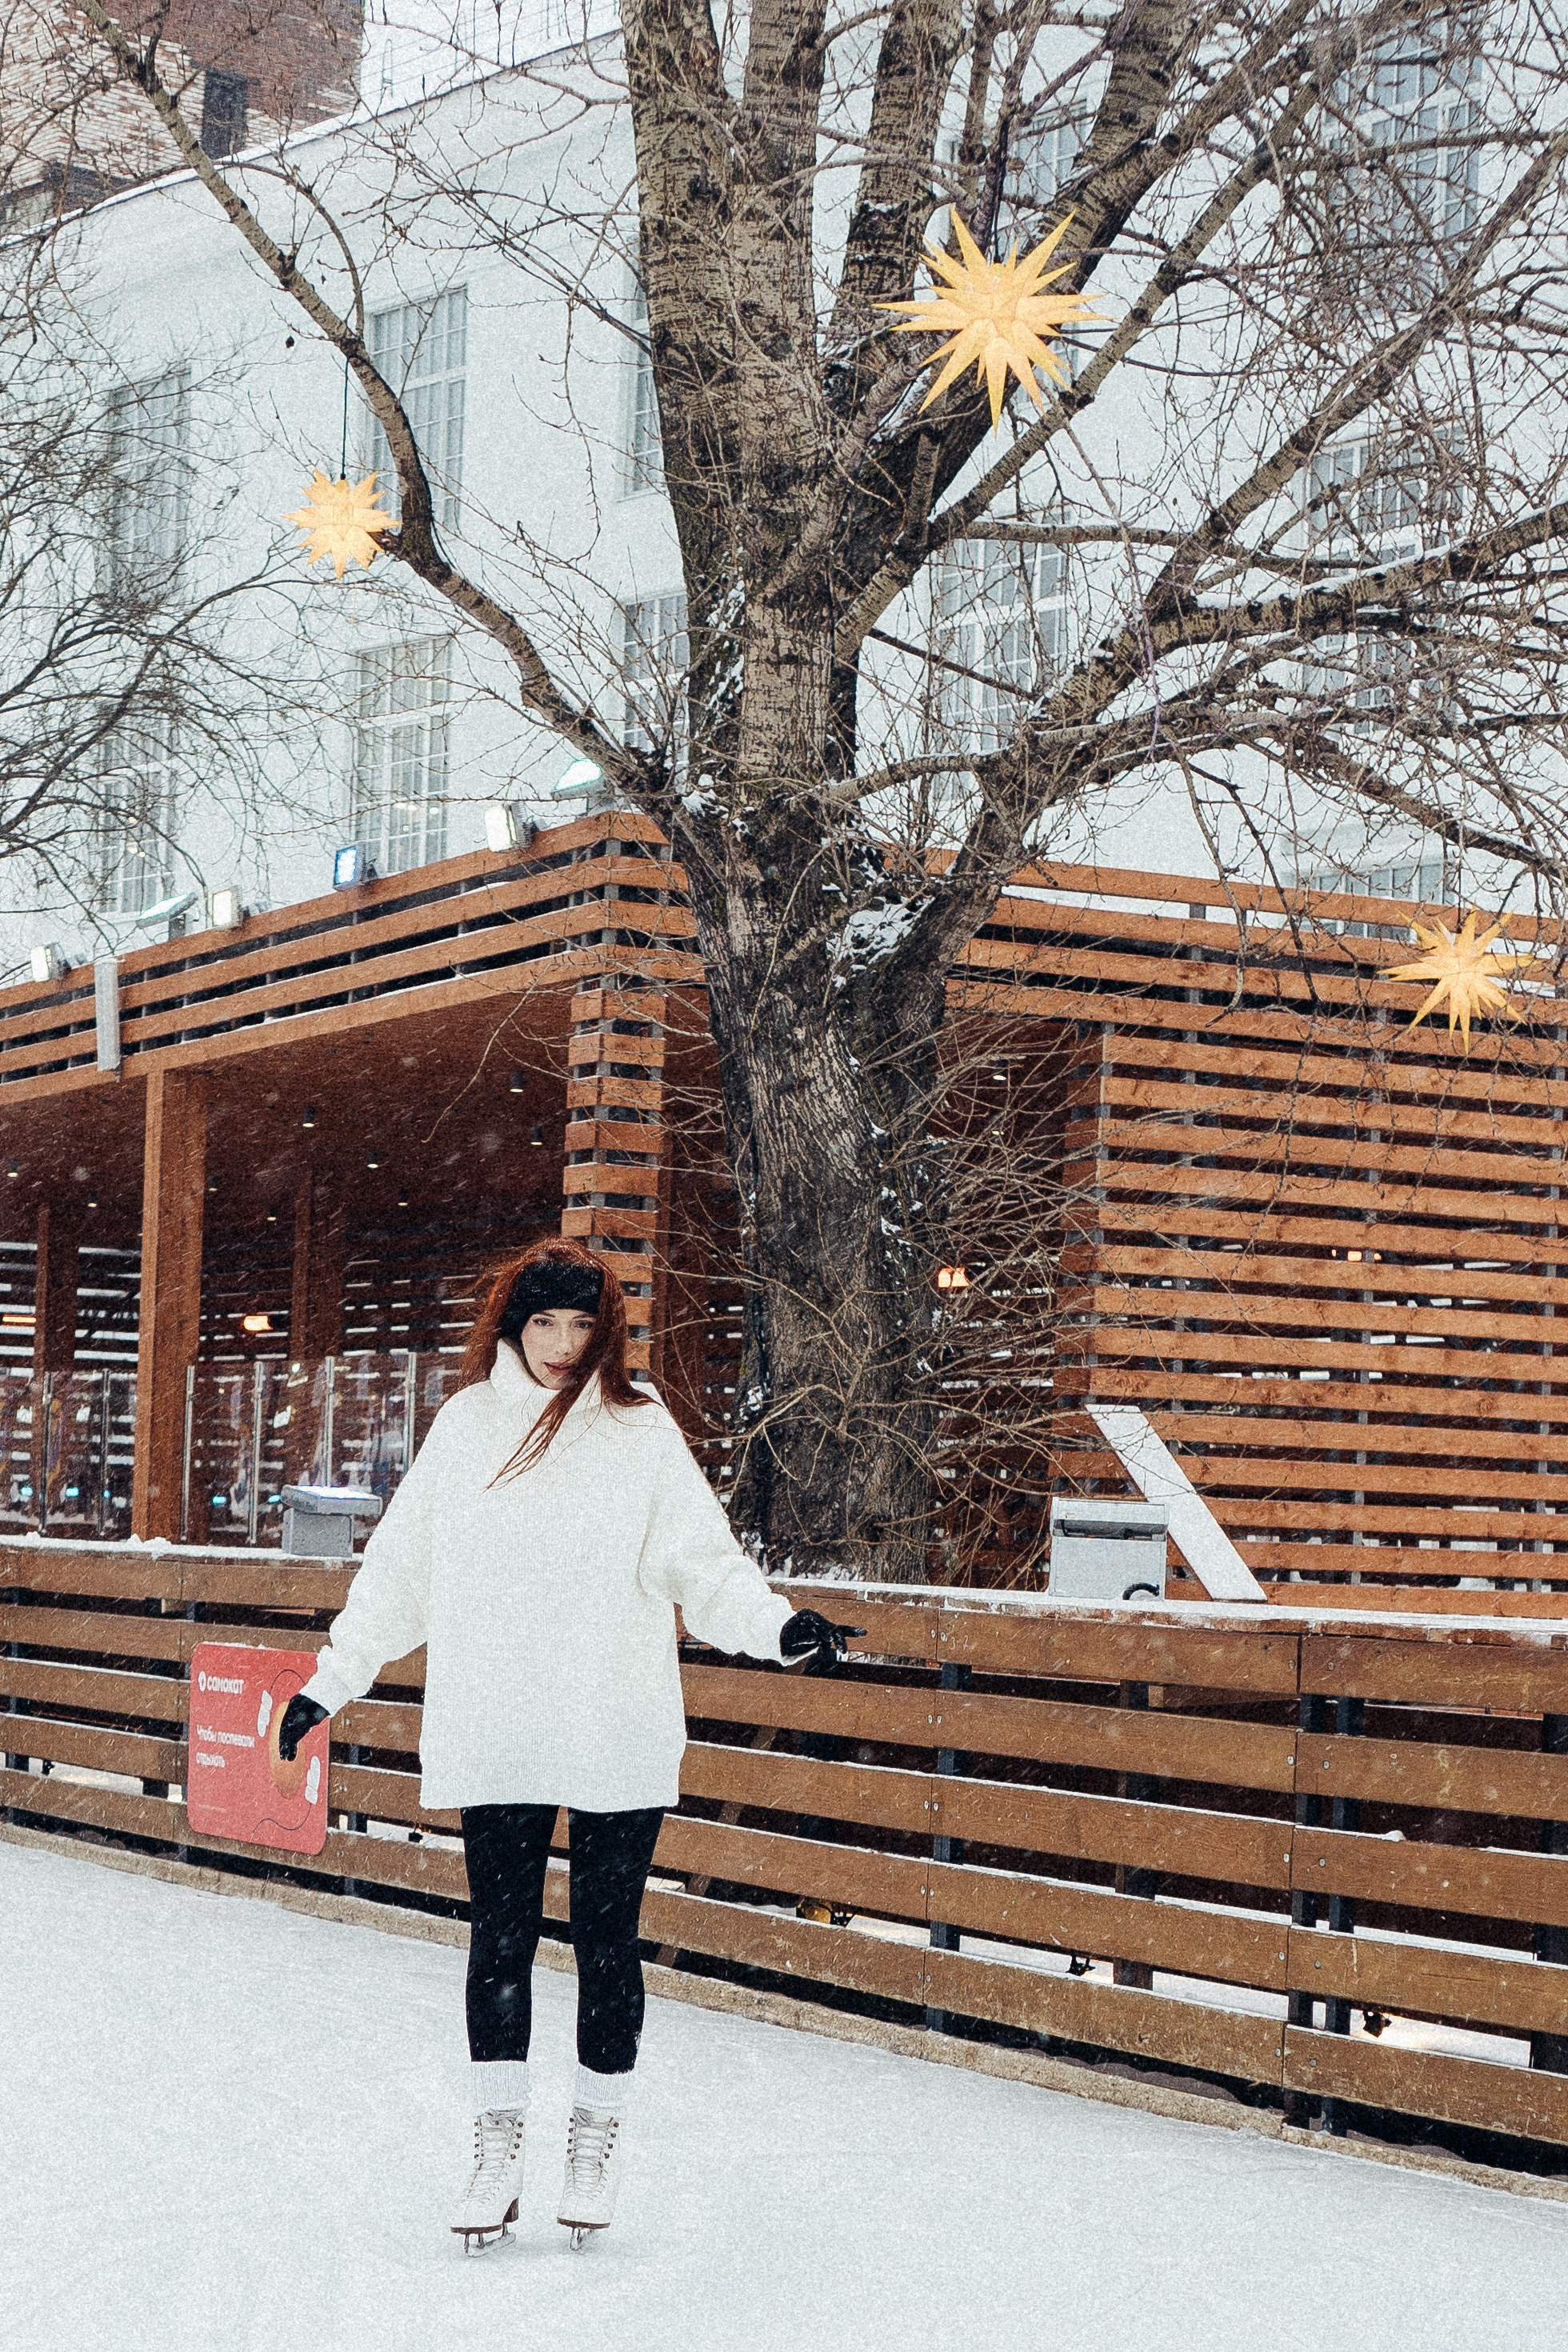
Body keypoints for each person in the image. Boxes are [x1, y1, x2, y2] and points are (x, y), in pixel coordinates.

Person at [276, 1237, 863, 2254]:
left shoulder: (639, 1433)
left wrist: (777, 1627)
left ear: (606, 1331)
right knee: (499, 1937)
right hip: (499, 1718)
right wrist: (331, 1681)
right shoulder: (466, 1429)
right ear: (511, 1324)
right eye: (542, 1322)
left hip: (613, 1722)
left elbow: (701, 1567)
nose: (558, 1344)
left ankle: (594, 2139)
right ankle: (496, 2145)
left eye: (579, 1324)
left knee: (607, 1940)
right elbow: (400, 1574)